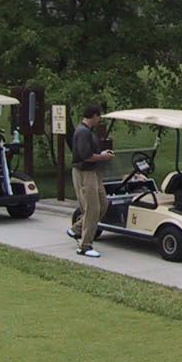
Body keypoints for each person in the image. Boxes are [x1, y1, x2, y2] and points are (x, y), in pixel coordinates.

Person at [69, 105, 113, 258]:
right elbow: (86, 156)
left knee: (103, 204)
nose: (100, 120)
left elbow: (91, 153)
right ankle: (85, 246)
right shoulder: (82, 132)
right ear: (94, 116)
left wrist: (101, 154)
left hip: (93, 172)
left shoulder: (88, 132)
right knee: (92, 208)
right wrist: (103, 157)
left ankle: (77, 229)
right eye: (99, 116)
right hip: (84, 173)